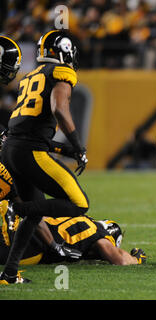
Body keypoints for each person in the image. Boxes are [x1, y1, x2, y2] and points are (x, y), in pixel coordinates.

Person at [0, 30, 89, 284]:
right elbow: (58, 109)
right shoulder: (62, 72)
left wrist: (65, 150)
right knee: (79, 203)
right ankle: (16, 208)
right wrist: (78, 145)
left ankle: (8, 273)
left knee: (35, 213)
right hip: (29, 152)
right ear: (64, 52)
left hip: (12, 150)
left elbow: (30, 131)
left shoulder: (30, 77)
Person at [0, 204, 147, 266]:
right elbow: (119, 259)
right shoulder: (98, 233)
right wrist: (136, 259)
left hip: (20, 228)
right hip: (30, 248)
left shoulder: (80, 217)